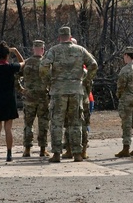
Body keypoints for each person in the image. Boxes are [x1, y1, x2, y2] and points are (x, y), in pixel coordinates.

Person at [41, 26, 97, 163]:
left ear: (59, 37)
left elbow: (43, 66)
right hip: (76, 90)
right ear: (70, 36)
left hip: (58, 90)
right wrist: (85, 80)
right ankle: (77, 153)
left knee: (57, 123)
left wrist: (49, 82)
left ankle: (57, 153)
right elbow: (93, 65)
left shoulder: (54, 50)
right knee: (76, 123)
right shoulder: (80, 50)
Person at [0, 41, 24, 162]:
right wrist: (16, 51)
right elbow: (24, 62)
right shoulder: (11, 68)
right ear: (7, 56)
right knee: (8, 129)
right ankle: (9, 154)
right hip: (9, 101)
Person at [20, 40, 50, 157]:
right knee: (43, 124)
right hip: (43, 98)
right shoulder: (46, 64)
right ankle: (42, 149)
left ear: (33, 49)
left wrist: (21, 89)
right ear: (43, 49)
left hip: (29, 98)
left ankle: (27, 149)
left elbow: (15, 77)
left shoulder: (26, 63)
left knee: (28, 124)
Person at [115, 46, 133, 157]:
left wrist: (119, 95)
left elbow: (121, 86)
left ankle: (126, 148)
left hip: (127, 99)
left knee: (126, 124)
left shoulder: (125, 70)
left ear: (127, 55)